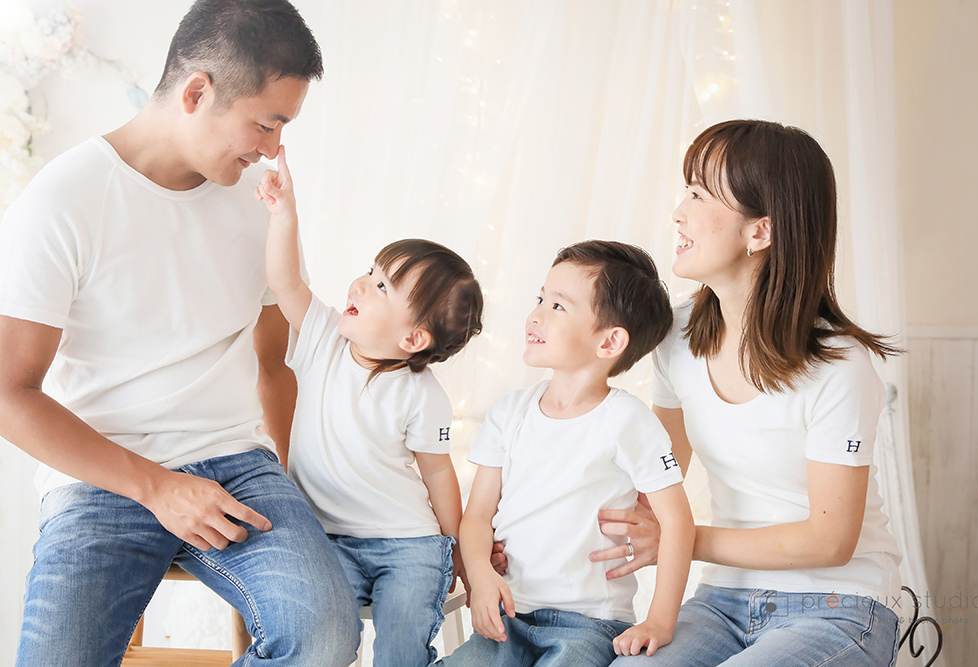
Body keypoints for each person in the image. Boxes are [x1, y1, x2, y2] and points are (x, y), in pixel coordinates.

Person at [0, 1, 361, 664]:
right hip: (101, 477)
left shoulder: (259, 198)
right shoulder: (61, 202)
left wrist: (289, 481)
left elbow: (275, 361)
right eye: (265, 123)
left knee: (325, 636)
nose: (274, 149)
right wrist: (158, 487)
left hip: (237, 468)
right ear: (197, 92)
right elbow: (8, 392)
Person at [605, 120, 902, 666]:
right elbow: (652, 478)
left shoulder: (840, 365)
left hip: (840, 604)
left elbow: (830, 541)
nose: (678, 212)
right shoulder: (675, 338)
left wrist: (680, 539)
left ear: (759, 232)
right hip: (721, 601)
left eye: (698, 194)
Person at [254, 148, 484, 666]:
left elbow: (439, 477)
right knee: (317, 629)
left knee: (402, 646)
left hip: (408, 545)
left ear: (413, 337)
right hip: (326, 537)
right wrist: (284, 213)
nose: (360, 284)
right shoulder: (323, 339)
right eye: (370, 271)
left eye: (382, 286)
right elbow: (285, 281)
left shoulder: (422, 395)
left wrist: (456, 550)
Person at [438, 240, 696, 666]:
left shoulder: (628, 421)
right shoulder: (509, 414)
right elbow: (478, 515)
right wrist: (481, 578)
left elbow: (677, 521)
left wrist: (659, 621)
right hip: (510, 615)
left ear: (610, 341)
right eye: (540, 298)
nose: (535, 314)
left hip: (589, 624)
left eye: (558, 306)